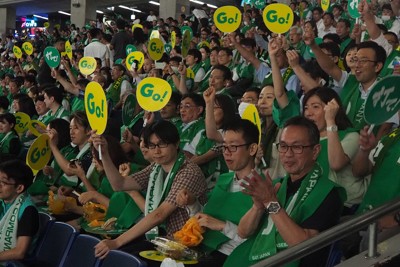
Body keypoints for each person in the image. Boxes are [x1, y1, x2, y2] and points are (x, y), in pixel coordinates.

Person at [224, 116, 345, 267]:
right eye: (283, 146)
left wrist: (270, 202)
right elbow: (243, 232)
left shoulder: (328, 193)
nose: (288, 154)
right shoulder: (276, 185)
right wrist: (258, 207)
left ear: (315, 151)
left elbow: (303, 245)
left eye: (296, 147)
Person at [92, 120, 207, 259]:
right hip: (161, 239)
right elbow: (120, 184)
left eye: (162, 144)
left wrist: (117, 242)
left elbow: (160, 214)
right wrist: (104, 154)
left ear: (176, 144)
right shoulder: (156, 167)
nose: (157, 151)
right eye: (152, 146)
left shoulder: (188, 172)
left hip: (185, 245)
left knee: (120, 256)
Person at [180, 119, 259, 266]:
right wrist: (192, 204)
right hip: (202, 250)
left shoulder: (263, 188)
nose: (227, 153)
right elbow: (206, 220)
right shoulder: (224, 179)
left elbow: (258, 241)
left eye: (233, 147)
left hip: (231, 257)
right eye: (224, 147)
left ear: (252, 149)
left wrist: (222, 226)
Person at [0, 159, 39, 261]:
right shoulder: (3, 202)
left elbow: (19, 252)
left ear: (19, 188)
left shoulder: (28, 210)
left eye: (3, 183)